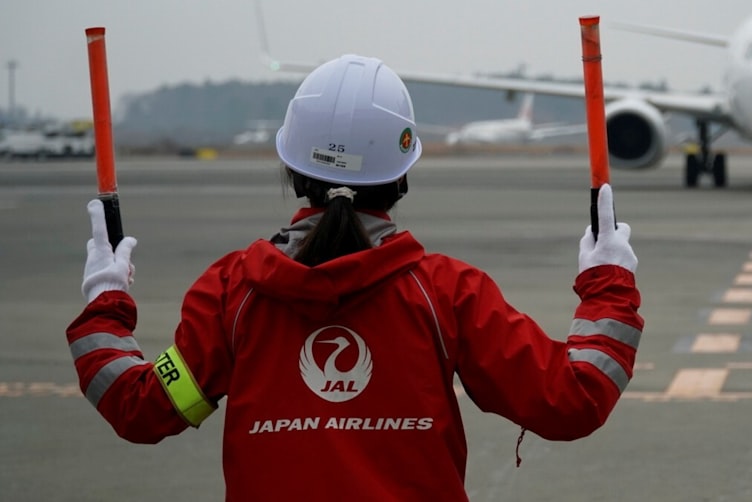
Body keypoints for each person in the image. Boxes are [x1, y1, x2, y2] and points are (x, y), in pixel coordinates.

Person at [67, 54, 642, 501]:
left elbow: (138, 406)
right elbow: (574, 398)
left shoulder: (233, 293)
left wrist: (106, 300)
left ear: (293, 170)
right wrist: (607, 282)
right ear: (402, 175)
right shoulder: (447, 294)